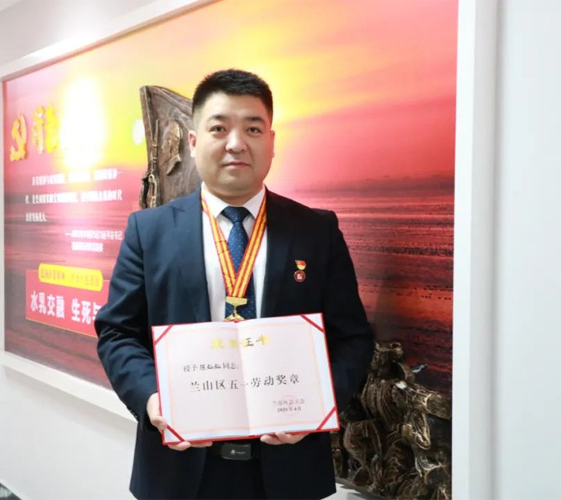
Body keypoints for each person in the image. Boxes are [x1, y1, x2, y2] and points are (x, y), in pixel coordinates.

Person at [95, 69, 373, 499]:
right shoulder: (148, 232)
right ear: (192, 142)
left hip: (288, 468)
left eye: (253, 129)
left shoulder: (317, 231)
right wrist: (151, 399)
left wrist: (318, 404)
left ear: (272, 142)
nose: (236, 143)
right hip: (178, 467)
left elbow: (351, 337)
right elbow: (117, 332)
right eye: (219, 128)